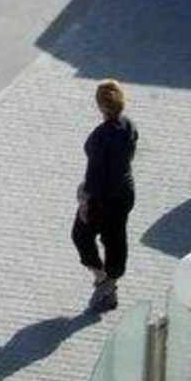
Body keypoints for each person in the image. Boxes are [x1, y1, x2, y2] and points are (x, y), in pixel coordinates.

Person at [73, 79, 138, 313]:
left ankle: (103, 279)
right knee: (115, 238)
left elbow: (95, 174)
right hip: (124, 192)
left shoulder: (101, 137)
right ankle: (111, 281)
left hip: (101, 198)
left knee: (81, 235)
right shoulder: (128, 126)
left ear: (100, 106)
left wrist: (84, 199)